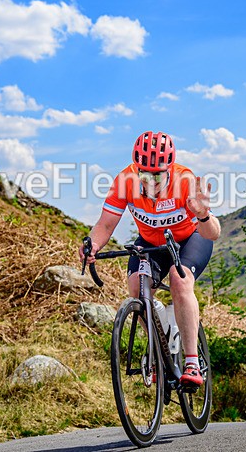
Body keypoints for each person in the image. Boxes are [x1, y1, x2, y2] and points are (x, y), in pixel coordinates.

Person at [79, 131, 221, 389]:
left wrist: (202, 215)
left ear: (169, 169)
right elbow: (105, 224)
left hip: (189, 240)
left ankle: (191, 362)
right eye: (144, 174)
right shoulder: (125, 181)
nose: (151, 181)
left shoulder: (185, 181)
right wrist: (94, 244)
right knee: (137, 289)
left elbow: (213, 233)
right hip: (150, 243)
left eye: (158, 175)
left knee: (180, 282)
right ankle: (161, 340)